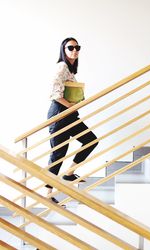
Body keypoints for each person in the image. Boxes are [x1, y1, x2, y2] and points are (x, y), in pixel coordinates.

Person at [46, 37, 98, 204]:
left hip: (68, 114)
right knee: (58, 153)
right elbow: (55, 94)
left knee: (90, 140)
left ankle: (69, 174)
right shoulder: (62, 67)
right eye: (71, 47)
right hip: (60, 114)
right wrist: (70, 106)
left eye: (77, 47)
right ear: (64, 49)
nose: (75, 50)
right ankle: (47, 193)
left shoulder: (70, 69)